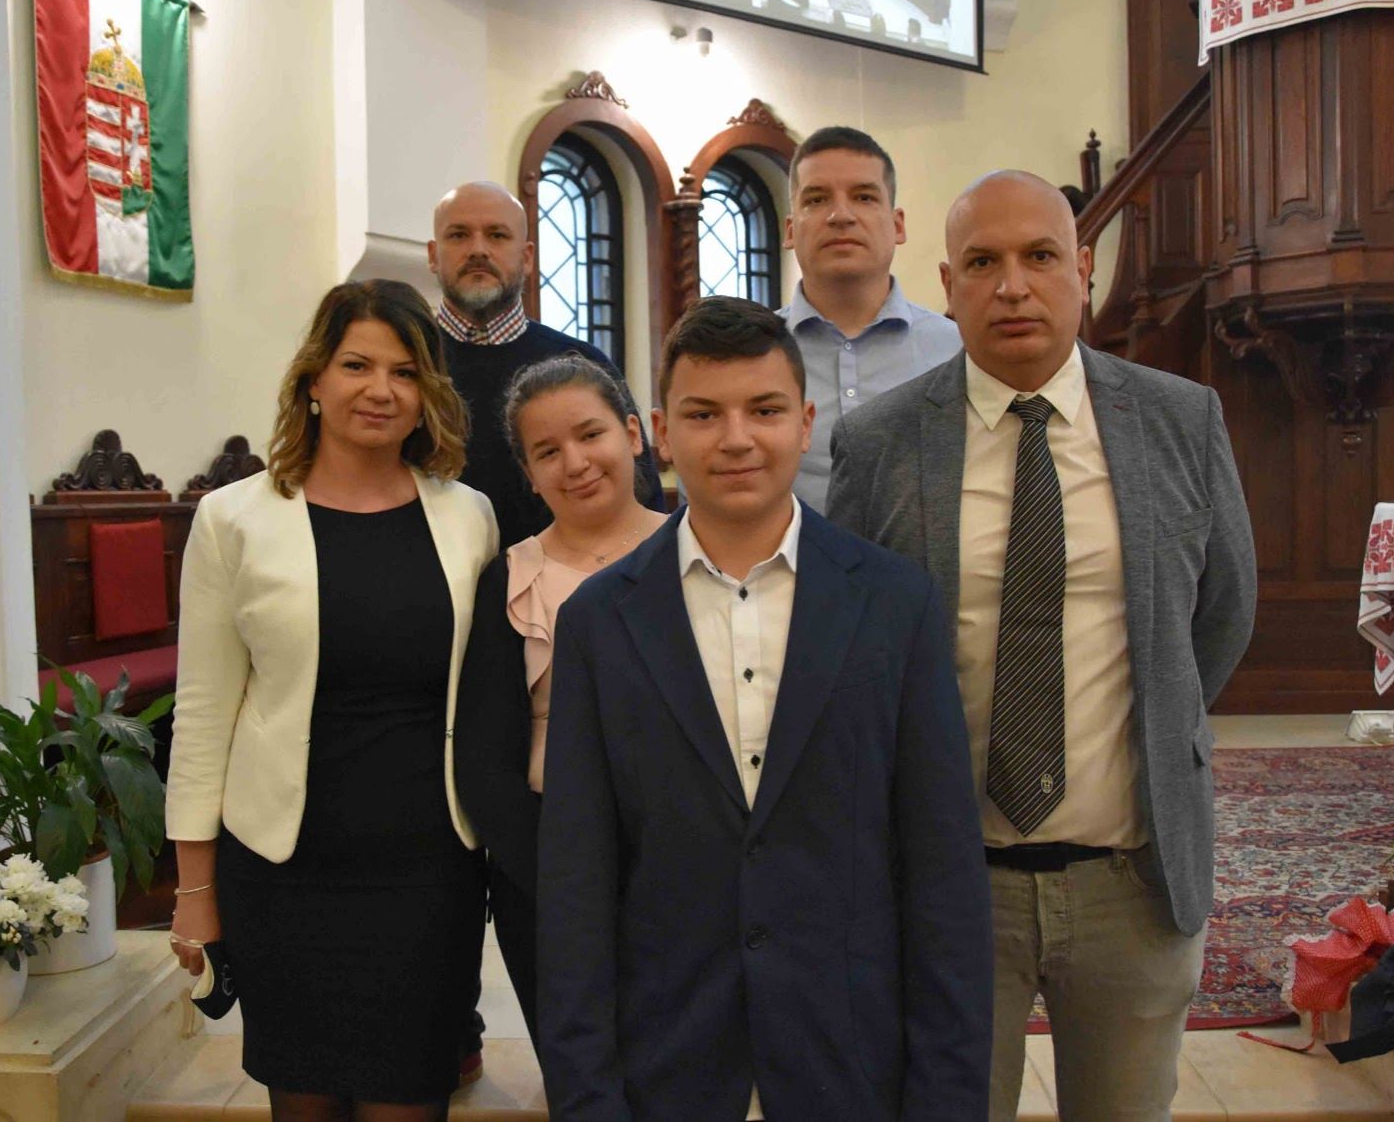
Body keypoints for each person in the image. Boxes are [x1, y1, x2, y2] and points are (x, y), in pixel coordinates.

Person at [826, 170, 1258, 1122]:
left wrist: (1161, 718)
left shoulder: (1180, 420)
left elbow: (1221, 613)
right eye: (982, 262)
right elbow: (848, 653)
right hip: (949, 885)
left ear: (1083, 267)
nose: (1012, 286)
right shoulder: (880, 442)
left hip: (1130, 881)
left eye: (1039, 257)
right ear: (948, 283)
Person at [537, 295, 993, 1121]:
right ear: (661, 432)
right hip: (668, 1062)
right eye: (703, 414)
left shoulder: (894, 604)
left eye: (765, 409)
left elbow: (941, 872)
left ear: (806, 422)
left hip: (850, 1063)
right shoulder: (599, 622)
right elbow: (576, 882)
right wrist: (587, 1096)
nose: (736, 437)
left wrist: (944, 1097)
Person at [165, 279, 498, 1121]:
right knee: (303, 1104)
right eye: (356, 365)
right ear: (313, 377)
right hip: (283, 869)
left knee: (409, 1098)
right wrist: (195, 891)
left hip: (428, 871)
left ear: (427, 393)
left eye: (404, 371)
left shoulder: (470, 516)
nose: (380, 389)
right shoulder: (233, 519)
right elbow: (202, 713)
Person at [454, 354, 666, 1051]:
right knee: (581, 1072)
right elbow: (484, 760)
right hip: (548, 868)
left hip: (688, 866)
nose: (574, 463)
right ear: (528, 472)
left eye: (590, 434)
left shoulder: (699, 553)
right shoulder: (509, 580)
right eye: (547, 451)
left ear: (632, 434)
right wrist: (562, 877)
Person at [429, 180, 663, 548]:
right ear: (433, 255)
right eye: (459, 235)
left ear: (527, 257)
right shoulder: (405, 365)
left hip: (571, 577)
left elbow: (641, 497)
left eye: (497, 235)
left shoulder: (581, 364)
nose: (478, 250)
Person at [779, 126, 963, 512]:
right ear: (791, 230)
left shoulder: (959, 351)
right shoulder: (757, 353)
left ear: (898, 225)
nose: (840, 216)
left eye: (863, 197)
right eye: (817, 199)